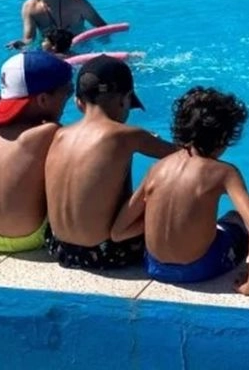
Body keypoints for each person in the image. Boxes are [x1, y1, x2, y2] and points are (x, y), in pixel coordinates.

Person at [111, 87, 249, 292]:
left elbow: (118, 232)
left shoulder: (157, 169)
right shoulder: (224, 172)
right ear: (224, 138)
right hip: (199, 268)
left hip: (155, 267)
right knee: (236, 219)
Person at [44, 55, 174, 270]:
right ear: (125, 99)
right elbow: (185, 157)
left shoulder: (60, 134)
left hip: (59, 248)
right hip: (106, 253)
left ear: (78, 102)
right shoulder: (126, 136)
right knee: (170, 178)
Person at [0, 51, 73, 253]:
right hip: (28, 238)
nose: (68, 98)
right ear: (44, 99)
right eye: (67, 91)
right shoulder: (49, 132)